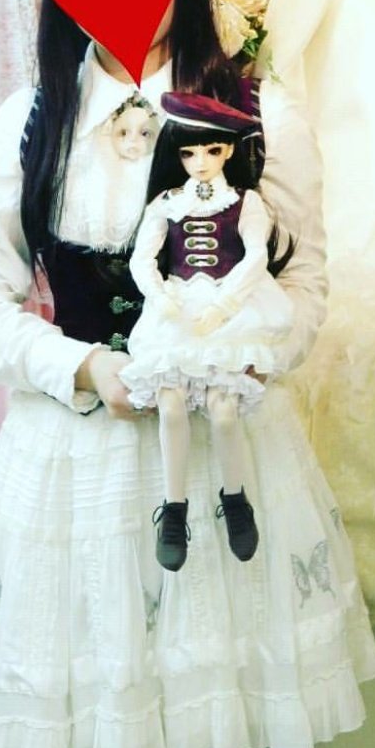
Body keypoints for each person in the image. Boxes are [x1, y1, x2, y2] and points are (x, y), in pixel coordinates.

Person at [0, 0, 375, 748]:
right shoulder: (27, 124)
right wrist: (85, 368)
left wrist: (249, 355)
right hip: (78, 471)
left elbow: (305, 281)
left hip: (230, 459)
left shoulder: (260, 113)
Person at [122, 92, 294, 571]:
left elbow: (255, 257)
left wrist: (224, 305)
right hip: (178, 303)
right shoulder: (167, 203)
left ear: (230, 151)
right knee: (171, 406)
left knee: (224, 411)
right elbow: (142, 258)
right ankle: (173, 509)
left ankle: (235, 500)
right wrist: (160, 297)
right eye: (189, 152)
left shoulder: (245, 202)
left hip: (230, 306)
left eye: (212, 150)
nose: (200, 162)